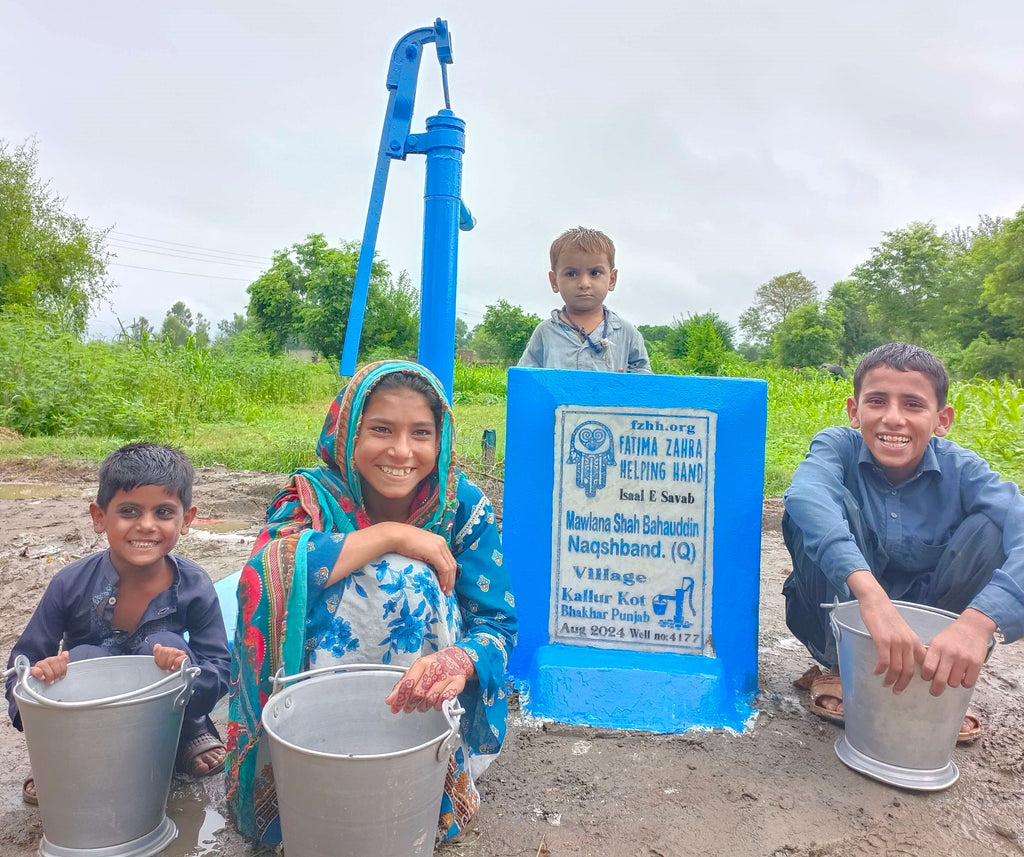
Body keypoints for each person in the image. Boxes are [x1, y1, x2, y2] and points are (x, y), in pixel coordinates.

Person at [225, 360, 517, 846]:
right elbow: (265, 575)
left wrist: (460, 658)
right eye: (381, 430)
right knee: (364, 569)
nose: (401, 451)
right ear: (349, 435)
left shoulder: (461, 506)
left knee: (407, 580)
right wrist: (390, 535)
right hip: (313, 719)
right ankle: (304, 780)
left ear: (440, 440)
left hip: (430, 697)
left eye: (421, 433)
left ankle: (432, 783)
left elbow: (498, 623)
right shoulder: (312, 497)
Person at [782, 343, 1024, 739]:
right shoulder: (838, 446)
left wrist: (977, 624)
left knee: (995, 525)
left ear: (941, 419)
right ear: (854, 412)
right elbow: (807, 495)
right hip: (836, 623)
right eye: (877, 401)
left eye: (913, 404)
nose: (893, 418)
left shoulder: (964, 470)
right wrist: (869, 597)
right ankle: (842, 668)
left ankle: (934, 672)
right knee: (811, 507)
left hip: (930, 633)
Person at [5, 443, 231, 805]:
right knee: (83, 658)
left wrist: (186, 673)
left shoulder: (194, 585)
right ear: (99, 517)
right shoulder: (69, 583)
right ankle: (62, 755)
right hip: (89, 713)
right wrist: (41, 677)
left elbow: (220, 666)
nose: (146, 525)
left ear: (186, 520)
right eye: (128, 511)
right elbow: (20, 665)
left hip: (165, 704)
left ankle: (190, 733)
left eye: (163, 512)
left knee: (167, 644)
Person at [518, 225, 652, 373]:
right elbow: (526, 381)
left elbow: (644, 381)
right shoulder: (545, 333)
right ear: (554, 281)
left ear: (612, 279)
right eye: (571, 274)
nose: (584, 284)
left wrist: (626, 385)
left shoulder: (626, 333)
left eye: (595, 273)